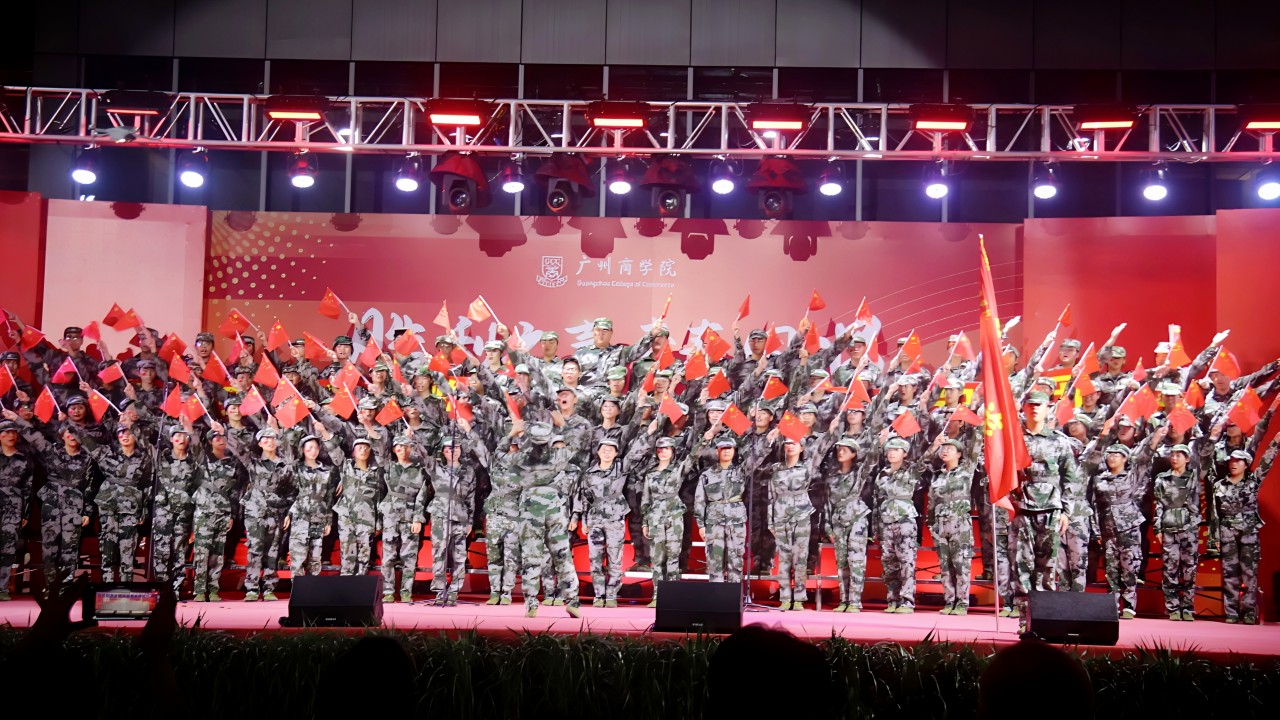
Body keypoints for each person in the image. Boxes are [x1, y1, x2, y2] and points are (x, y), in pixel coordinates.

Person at [1010, 391, 1081, 629]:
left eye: (1039, 405)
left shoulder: (1059, 440)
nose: (1034, 408)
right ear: (1023, 408)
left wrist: (1067, 512)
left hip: (1050, 509)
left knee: (1047, 568)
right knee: (1021, 566)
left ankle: (1044, 619)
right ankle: (1024, 620)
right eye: (1030, 404)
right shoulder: (1013, 439)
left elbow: (1070, 478)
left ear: (1047, 408)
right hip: (1021, 508)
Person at [10, 414, 100, 590]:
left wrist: (87, 512)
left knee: (70, 547)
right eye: (68, 432)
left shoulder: (87, 457)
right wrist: (16, 419)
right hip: (52, 503)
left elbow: (90, 486)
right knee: (49, 546)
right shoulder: (52, 451)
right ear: (62, 435)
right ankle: (51, 586)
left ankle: (66, 587)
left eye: (75, 432)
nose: (72, 436)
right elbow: (34, 437)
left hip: (74, 505)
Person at [513, 420, 580, 618]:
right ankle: (533, 603)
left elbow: (577, 495)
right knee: (536, 557)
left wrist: (575, 516)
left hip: (552, 514)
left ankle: (570, 601)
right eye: (555, 446)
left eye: (562, 447)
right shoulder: (536, 463)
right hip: (539, 514)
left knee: (558, 556)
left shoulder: (571, 470)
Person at [1210, 427, 1278, 625]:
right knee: (1229, 573)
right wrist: (1214, 538)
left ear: (1246, 464)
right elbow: (1214, 515)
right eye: (1231, 460)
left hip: (1248, 532)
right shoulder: (1219, 486)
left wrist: (1276, 442)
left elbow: (1266, 462)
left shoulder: (1253, 482)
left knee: (1249, 573)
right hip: (1227, 532)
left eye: (1238, 461)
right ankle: (1231, 612)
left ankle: (1248, 611)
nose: (1233, 463)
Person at [1083, 435, 1155, 618]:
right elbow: (1094, 505)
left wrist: (1154, 437)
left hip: (1129, 528)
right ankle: (1112, 605)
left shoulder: (1132, 476)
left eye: (1117, 454)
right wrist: (1096, 530)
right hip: (1107, 528)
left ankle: (1129, 604)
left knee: (1129, 566)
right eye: (1110, 454)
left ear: (1125, 458)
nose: (1112, 457)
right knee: (1111, 568)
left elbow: (1145, 459)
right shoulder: (1099, 479)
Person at [226, 426, 296, 601]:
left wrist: (288, 513)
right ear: (259, 443)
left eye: (272, 438)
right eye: (265, 439)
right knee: (255, 549)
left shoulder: (285, 466)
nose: (269, 441)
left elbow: (291, 492)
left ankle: (269, 587)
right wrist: (225, 430)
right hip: (255, 511)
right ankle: (252, 588)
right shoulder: (253, 462)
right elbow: (237, 447)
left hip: (276, 512)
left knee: (273, 551)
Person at [87, 423, 153, 583]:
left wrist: (144, 509)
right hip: (108, 503)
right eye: (121, 432)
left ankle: (125, 586)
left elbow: (147, 484)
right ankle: (107, 585)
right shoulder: (108, 453)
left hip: (131, 505)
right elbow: (88, 443)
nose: (125, 435)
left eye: (129, 432)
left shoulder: (144, 457)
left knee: (128, 547)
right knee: (107, 545)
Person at [191, 423, 246, 602]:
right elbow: (195, 445)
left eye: (222, 437)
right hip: (204, 512)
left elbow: (235, 492)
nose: (220, 440)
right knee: (202, 552)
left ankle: (214, 588)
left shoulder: (233, 462)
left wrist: (232, 515)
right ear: (209, 441)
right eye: (216, 437)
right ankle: (200, 589)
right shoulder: (203, 459)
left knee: (217, 552)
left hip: (223, 512)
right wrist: (189, 428)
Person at [428, 430, 483, 605]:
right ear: (444, 452)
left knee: (459, 556)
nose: (453, 451)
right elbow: (422, 456)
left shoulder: (468, 471)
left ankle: (454, 592)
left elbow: (471, 497)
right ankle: (439, 591)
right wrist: (412, 439)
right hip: (440, 515)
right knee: (439, 554)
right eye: (450, 448)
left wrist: (470, 521)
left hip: (461, 516)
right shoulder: (436, 468)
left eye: (457, 448)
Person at [572, 438, 629, 607]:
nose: (607, 452)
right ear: (598, 452)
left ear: (616, 453)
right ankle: (599, 594)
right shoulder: (589, 473)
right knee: (595, 558)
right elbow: (584, 498)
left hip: (615, 518)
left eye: (611, 449)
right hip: (595, 519)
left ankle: (611, 595)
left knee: (615, 558)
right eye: (604, 448)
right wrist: (584, 521)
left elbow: (635, 454)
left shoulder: (621, 468)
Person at [1153, 442, 1206, 621]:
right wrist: (1157, 527)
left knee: (1189, 569)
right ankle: (1173, 608)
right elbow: (1159, 504)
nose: (1174, 458)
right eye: (1173, 454)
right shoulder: (1162, 478)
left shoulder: (1194, 476)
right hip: (1169, 527)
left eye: (1179, 455)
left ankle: (1188, 607)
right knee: (1170, 568)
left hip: (1189, 528)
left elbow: (1205, 459)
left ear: (1187, 458)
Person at [928, 435, 980, 614]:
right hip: (941, 525)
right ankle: (949, 601)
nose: (945, 451)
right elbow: (932, 502)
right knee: (945, 566)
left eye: (950, 449)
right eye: (943, 448)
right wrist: (931, 525)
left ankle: (962, 603)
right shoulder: (937, 476)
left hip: (960, 523)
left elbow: (975, 447)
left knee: (961, 564)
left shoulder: (966, 471)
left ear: (959, 454)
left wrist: (980, 428)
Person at [641, 436, 694, 608]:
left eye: (667, 449)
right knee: (657, 558)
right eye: (660, 449)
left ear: (673, 451)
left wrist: (704, 440)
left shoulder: (678, 469)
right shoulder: (650, 474)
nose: (663, 452)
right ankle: (657, 595)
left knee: (673, 556)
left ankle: (673, 596)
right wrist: (645, 523)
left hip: (674, 516)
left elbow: (693, 457)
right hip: (655, 517)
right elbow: (646, 500)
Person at [874, 436, 925, 613]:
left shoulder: (911, 470)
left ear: (905, 453)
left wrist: (934, 446)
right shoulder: (882, 474)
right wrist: (876, 527)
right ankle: (893, 599)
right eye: (889, 449)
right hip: (886, 520)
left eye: (896, 450)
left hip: (905, 520)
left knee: (906, 561)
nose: (892, 453)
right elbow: (877, 501)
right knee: (889, 562)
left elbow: (924, 459)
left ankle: (907, 600)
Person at [379, 434, 429, 604]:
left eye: (405, 446)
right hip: (391, 515)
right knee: (388, 556)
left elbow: (422, 496)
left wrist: (418, 519)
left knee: (409, 556)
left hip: (410, 515)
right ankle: (388, 591)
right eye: (398, 446)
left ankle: (406, 591)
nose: (401, 449)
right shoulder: (389, 467)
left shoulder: (419, 470)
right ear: (394, 449)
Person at [287, 425, 341, 581]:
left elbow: (329, 497)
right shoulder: (296, 468)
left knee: (315, 558)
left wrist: (328, 521)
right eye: (309, 447)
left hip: (319, 517)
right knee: (298, 555)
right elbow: (290, 493)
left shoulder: (326, 471)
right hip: (300, 516)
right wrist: (288, 513)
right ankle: (297, 589)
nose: (313, 450)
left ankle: (311, 589)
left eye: (316, 447)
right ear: (302, 449)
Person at [824, 437, 872, 612]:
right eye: (839, 449)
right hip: (838, 521)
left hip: (857, 517)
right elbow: (827, 503)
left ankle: (855, 601)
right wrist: (827, 527)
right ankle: (844, 600)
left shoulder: (859, 473)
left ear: (854, 454)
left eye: (845, 449)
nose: (841, 452)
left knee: (856, 560)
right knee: (842, 562)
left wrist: (877, 442)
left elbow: (872, 460)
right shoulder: (831, 476)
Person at [694, 438, 749, 585]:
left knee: (736, 559)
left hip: (736, 521)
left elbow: (756, 458)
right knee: (714, 559)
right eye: (722, 448)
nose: (726, 451)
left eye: (729, 448)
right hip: (714, 521)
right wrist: (701, 525)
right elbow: (699, 500)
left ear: (734, 451)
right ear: (717, 451)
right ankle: (715, 593)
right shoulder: (707, 474)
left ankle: (734, 593)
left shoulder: (742, 471)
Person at [332, 435, 384, 577]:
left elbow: (378, 498)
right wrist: (323, 431)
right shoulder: (346, 466)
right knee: (348, 553)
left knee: (364, 555)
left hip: (367, 518)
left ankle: (360, 584)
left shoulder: (376, 472)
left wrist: (378, 522)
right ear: (353, 452)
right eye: (359, 448)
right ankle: (346, 583)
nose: (363, 450)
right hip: (347, 517)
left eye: (366, 448)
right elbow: (333, 449)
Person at [0, 419, 35, 599]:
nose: (11, 435)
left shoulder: (25, 459)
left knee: (8, 548)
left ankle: (2, 589)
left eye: (13, 432)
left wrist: (25, 513)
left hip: (14, 507)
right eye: (6, 432)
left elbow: (28, 488)